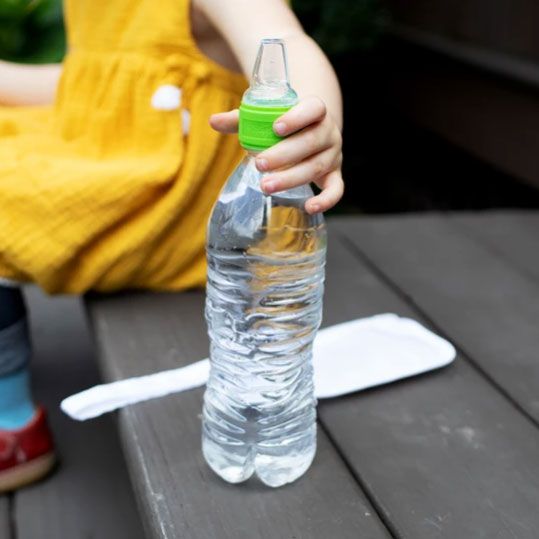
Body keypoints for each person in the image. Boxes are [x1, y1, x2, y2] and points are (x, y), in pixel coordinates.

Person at [0, 0, 343, 491]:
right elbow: (94, 85)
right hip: (102, 151)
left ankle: (11, 424)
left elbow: (281, 41)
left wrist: (312, 126)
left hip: (167, 203)